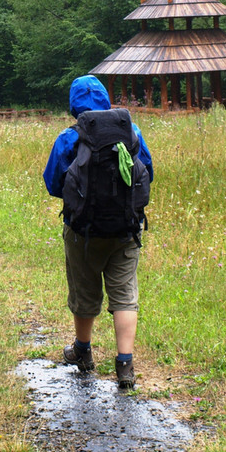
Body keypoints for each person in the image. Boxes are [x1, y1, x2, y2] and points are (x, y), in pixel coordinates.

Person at [43, 75, 153, 389]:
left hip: (83, 232)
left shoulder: (69, 137)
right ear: (105, 98)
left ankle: (83, 352)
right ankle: (125, 366)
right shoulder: (131, 132)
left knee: (84, 292)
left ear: (73, 104)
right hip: (125, 229)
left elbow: (54, 184)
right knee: (124, 296)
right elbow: (148, 173)